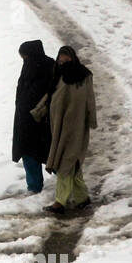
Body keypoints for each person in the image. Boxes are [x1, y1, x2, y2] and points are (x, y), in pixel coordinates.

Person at [30, 45, 98, 214]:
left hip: (75, 126)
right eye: (61, 57)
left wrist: (91, 120)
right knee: (71, 163)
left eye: (66, 57)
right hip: (59, 125)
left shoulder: (84, 75)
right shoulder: (58, 73)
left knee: (65, 163)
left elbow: (90, 98)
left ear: (72, 57)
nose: (63, 60)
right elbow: (50, 94)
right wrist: (39, 110)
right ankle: (82, 198)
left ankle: (60, 202)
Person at [12, 40, 54, 194]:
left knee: (49, 151)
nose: (24, 60)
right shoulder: (34, 66)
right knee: (29, 152)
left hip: (42, 119)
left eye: (25, 57)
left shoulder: (46, 67)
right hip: (27, 121)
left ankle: (67, 182)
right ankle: (34, 186)